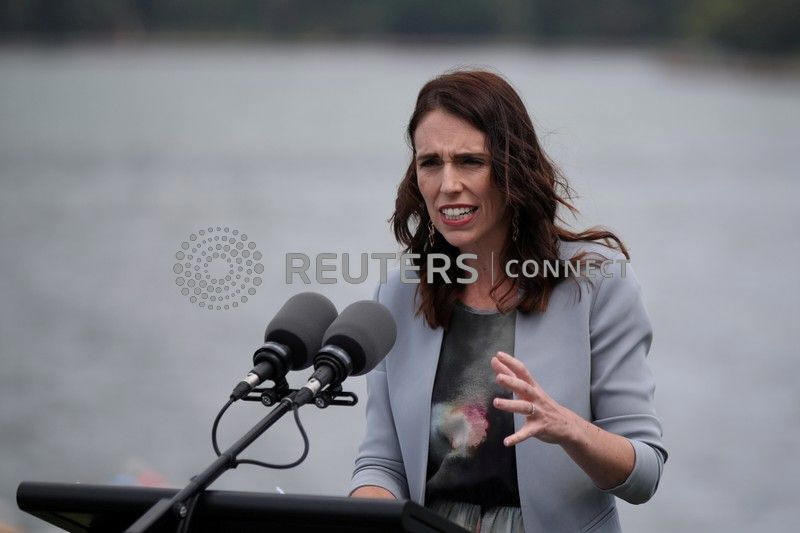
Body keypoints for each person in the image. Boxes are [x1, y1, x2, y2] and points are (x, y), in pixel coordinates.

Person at [349, 70, 667, 533]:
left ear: (512, 168)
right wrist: (358, 518)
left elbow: (645, 475)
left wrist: (569, 428)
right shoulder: (399, 293)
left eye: (470, 161)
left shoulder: (596, 283)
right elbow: (381, 463)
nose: (447, 184)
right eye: (430, 162)